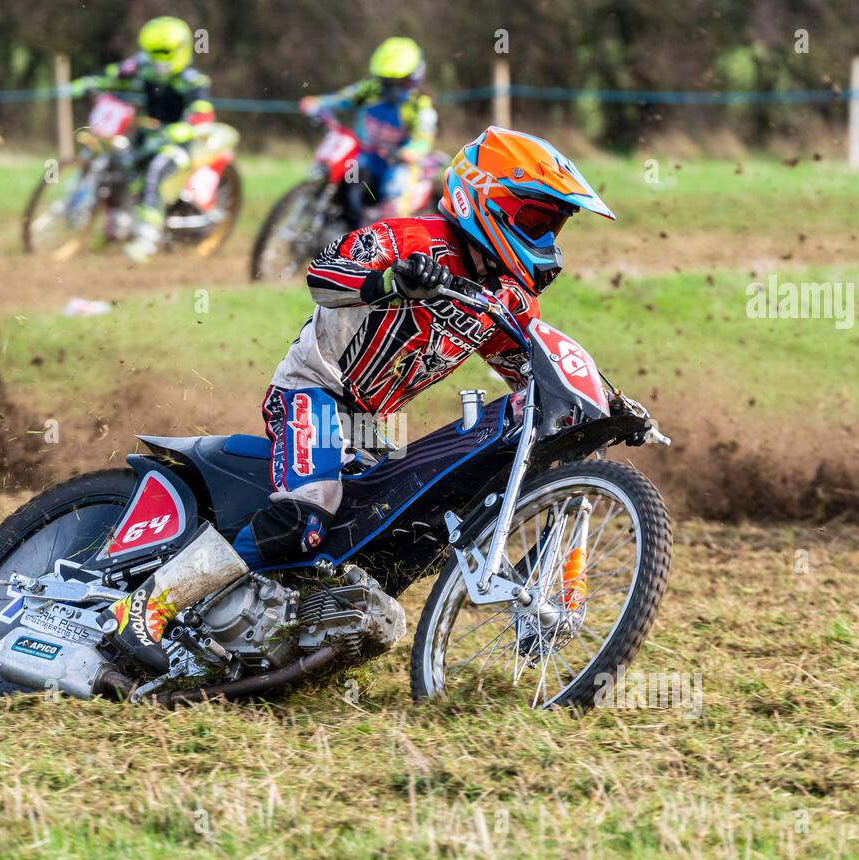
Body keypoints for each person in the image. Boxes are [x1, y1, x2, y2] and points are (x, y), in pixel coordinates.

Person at [107, 127, 617, 667]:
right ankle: (147, 606)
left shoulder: (508, 298)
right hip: (313, 391)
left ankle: (273, 634)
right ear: (484, 195)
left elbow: (528, 373)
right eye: (536, 220)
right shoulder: (410, 238)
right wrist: (393, 281)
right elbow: (322, 274)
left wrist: (594, 405)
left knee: (375, 543)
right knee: (303, 520)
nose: (544, 236)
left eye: (553, 225)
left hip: (375, 426)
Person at [71, 15, 213, 261]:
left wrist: (185, 128)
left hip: (177, 144)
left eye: (164, 52)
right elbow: (113, 75)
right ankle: (117, 225)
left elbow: (203, 111)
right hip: (146, 138)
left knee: (155, 174)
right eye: (152, 51)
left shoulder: (192, 80)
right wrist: (87, 83)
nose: (157, 58)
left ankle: (146, 239)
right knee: (119, 167)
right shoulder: (142, 65)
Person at [298, 37, 438, 221]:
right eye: (386, 81)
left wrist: (410, 152)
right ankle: (336, 218)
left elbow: (423, 138)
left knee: (395, 195)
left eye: (397, 82)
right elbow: (343, 98)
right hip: (364, 157)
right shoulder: (371, 90)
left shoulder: (419, 106)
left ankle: (389, 238)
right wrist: (319, 103)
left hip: (396, 163)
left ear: (413, 76)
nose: (390, 88)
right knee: (344, 179)